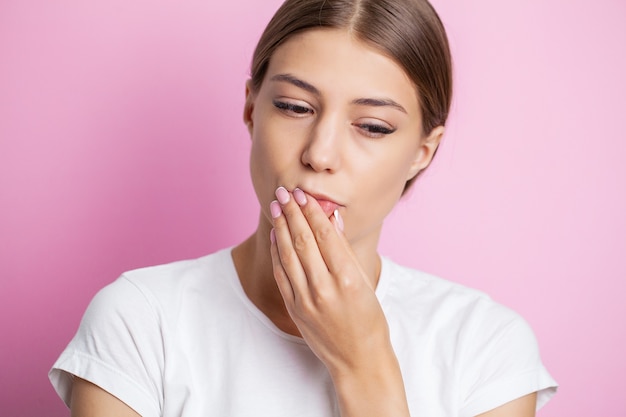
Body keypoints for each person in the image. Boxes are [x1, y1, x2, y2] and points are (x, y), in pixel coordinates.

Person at [49, 0, 557, 416]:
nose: (319, 154)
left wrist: (364, 365)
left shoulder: (485, 347)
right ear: (251, 108)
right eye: (295, 107)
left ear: (422, 153)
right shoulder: (141, 319)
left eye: (373, 126)